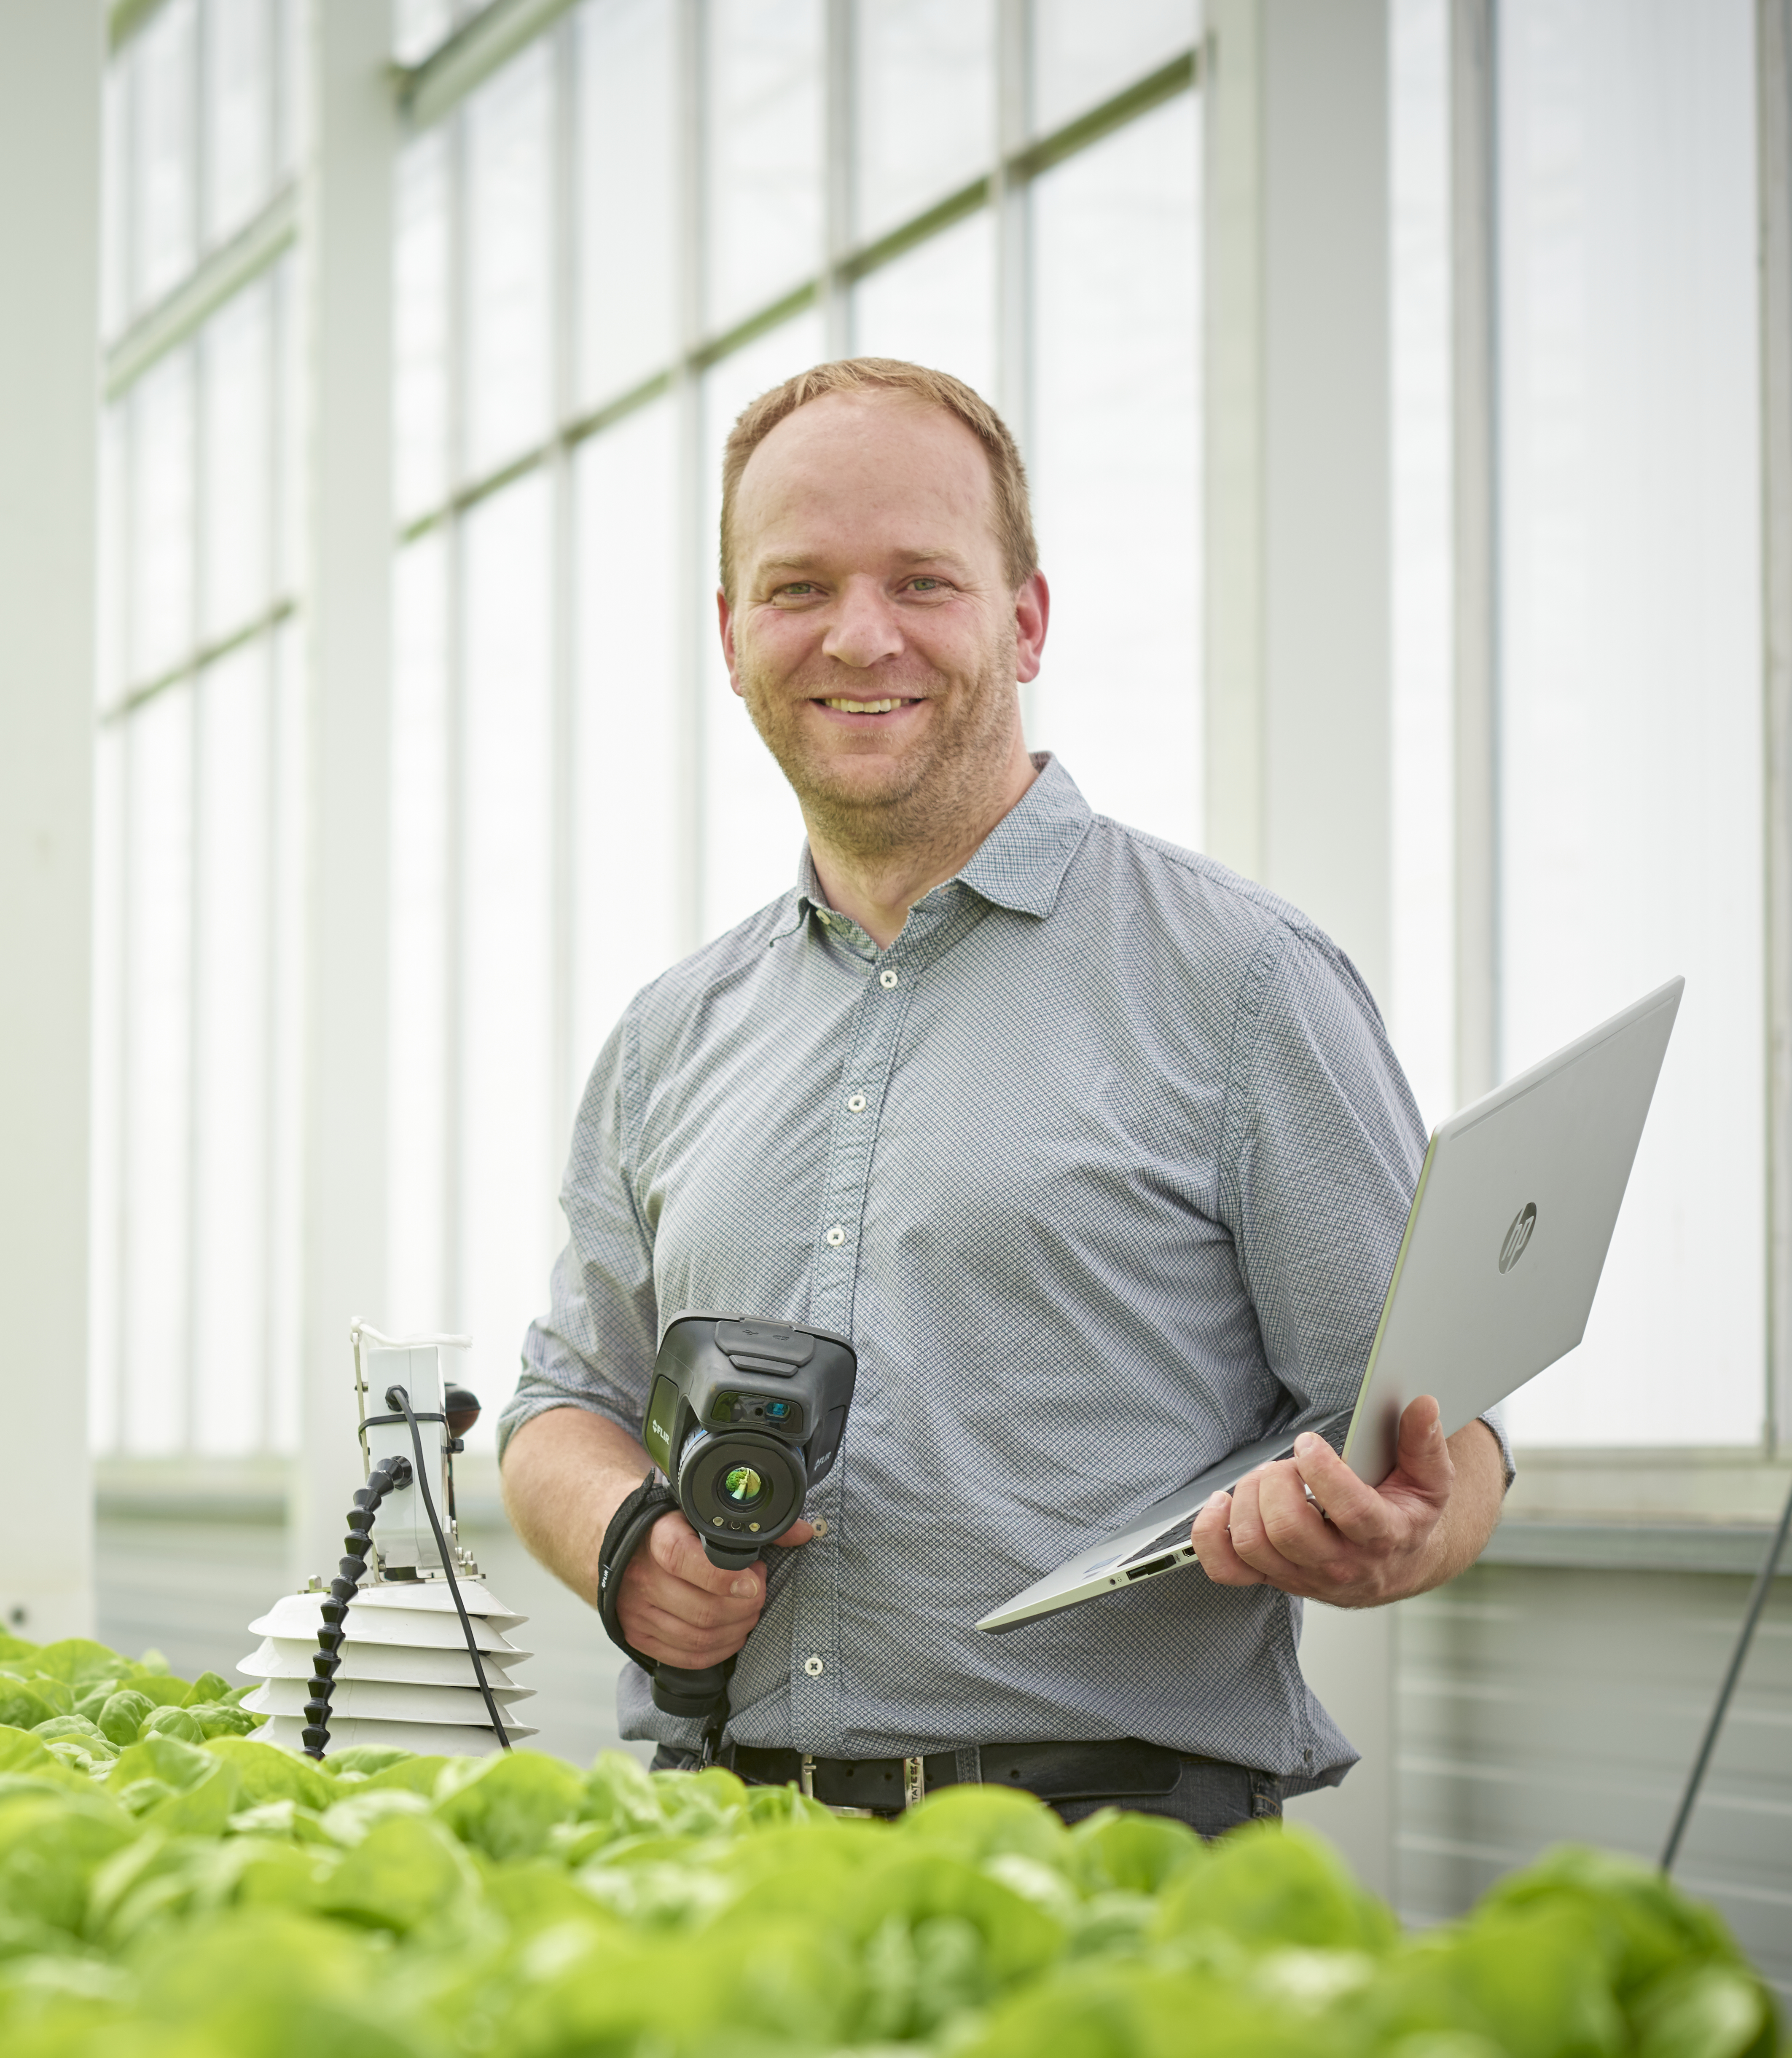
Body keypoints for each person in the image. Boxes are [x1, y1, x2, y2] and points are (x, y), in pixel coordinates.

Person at [496, 357, 1509, 1836]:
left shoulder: (1242, 981)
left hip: (1115, 1855)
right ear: (729, 637)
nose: (860, 635)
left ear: (1025, 617)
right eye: (797, 590)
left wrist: (1400, 1535)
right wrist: (625, 1536)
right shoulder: (671, 1035)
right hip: (731, 1854)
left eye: (923, 581)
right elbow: (560, 1406)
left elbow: (1445, 1428)